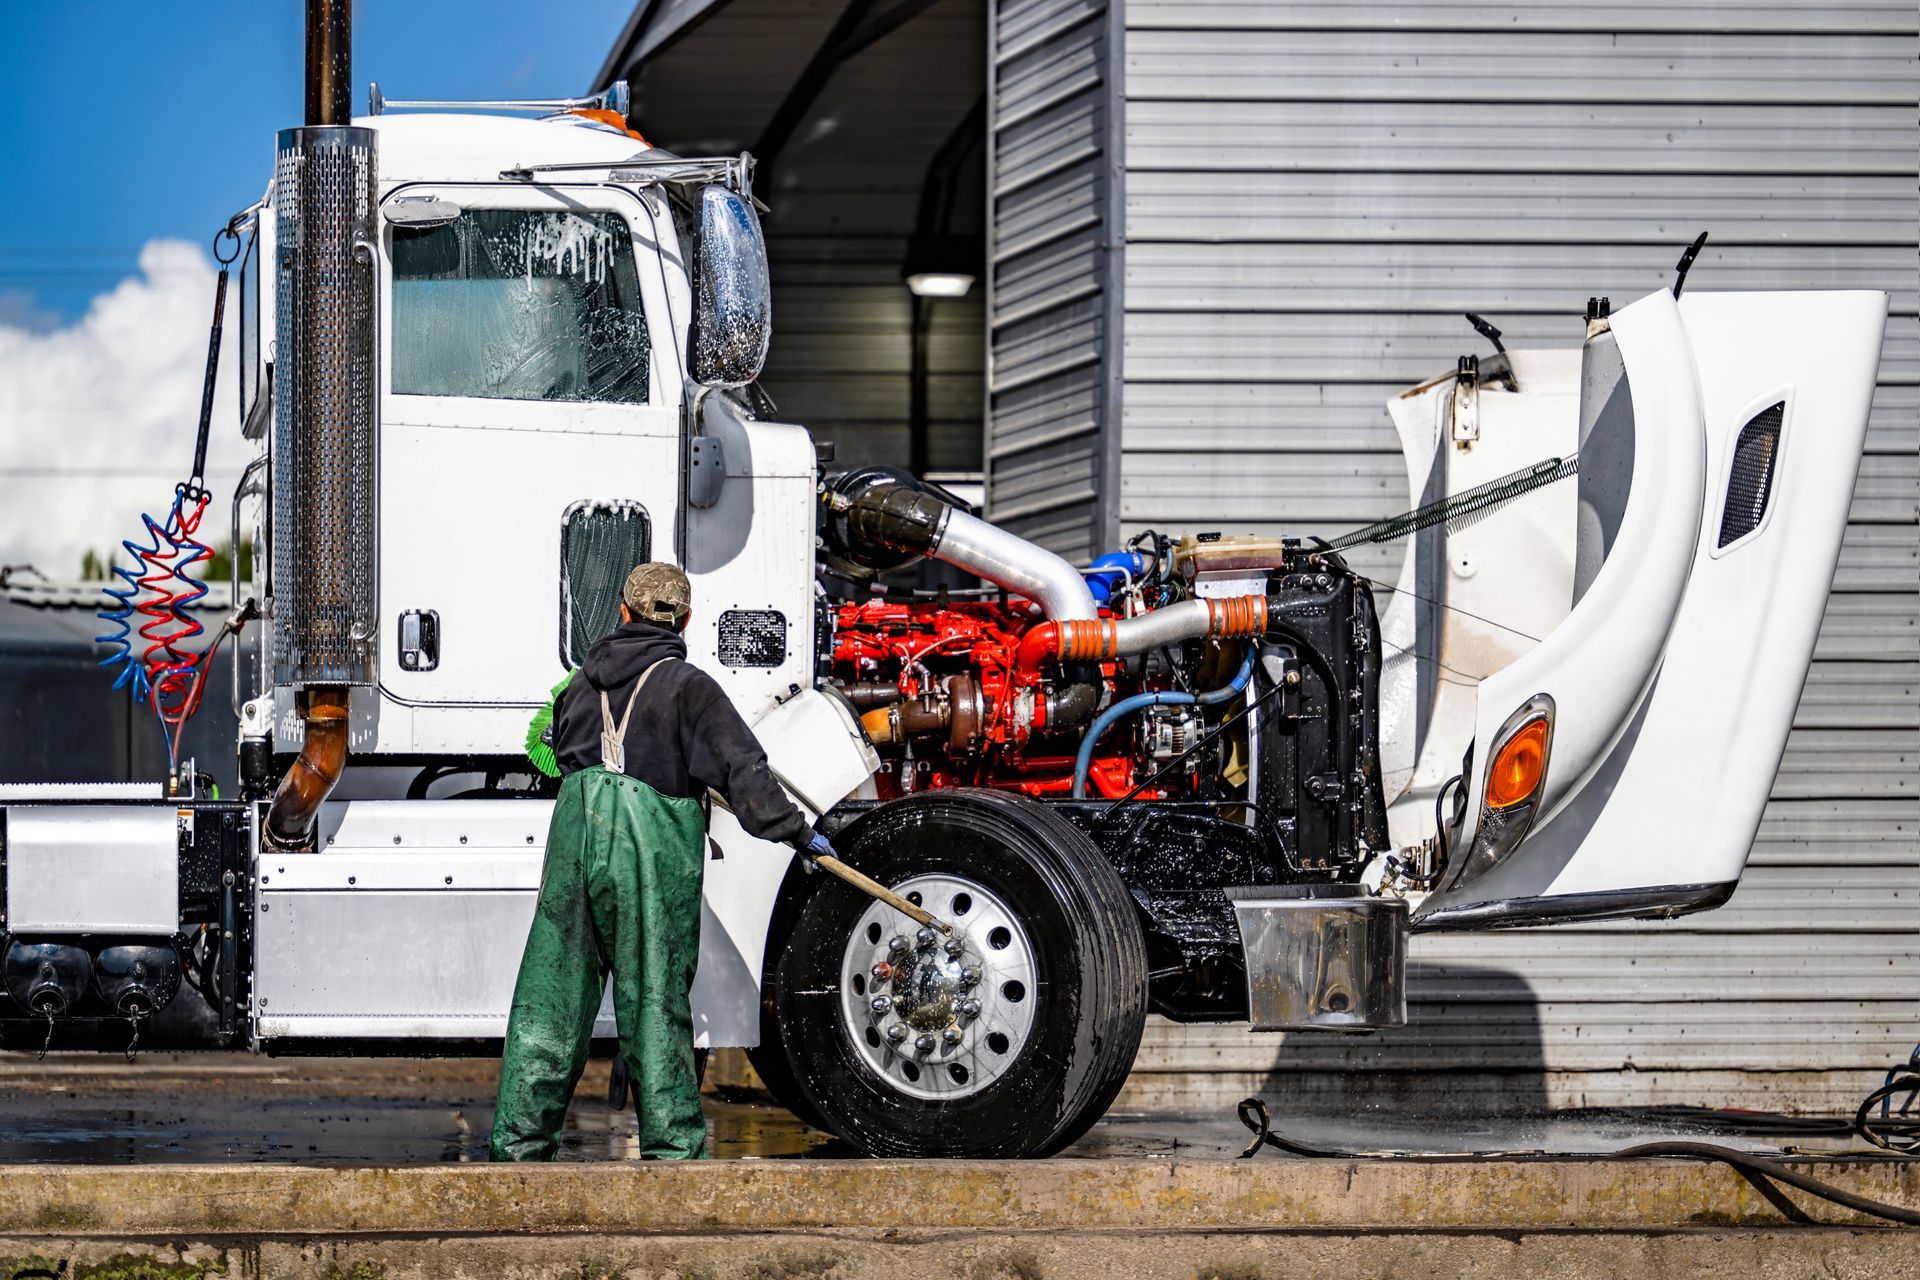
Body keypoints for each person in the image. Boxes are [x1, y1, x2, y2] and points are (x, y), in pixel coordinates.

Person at [490, 561, 832, 1161]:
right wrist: (796, 833)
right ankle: (672, 1152)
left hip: (576, 843)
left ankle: (518, 1146)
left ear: (622, 612)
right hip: (647, 856)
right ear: (686, 621)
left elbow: (561, 756)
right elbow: (742, 770)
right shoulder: (689, 687)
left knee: (551, 1000)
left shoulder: (578, 685)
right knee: (653, 1003)